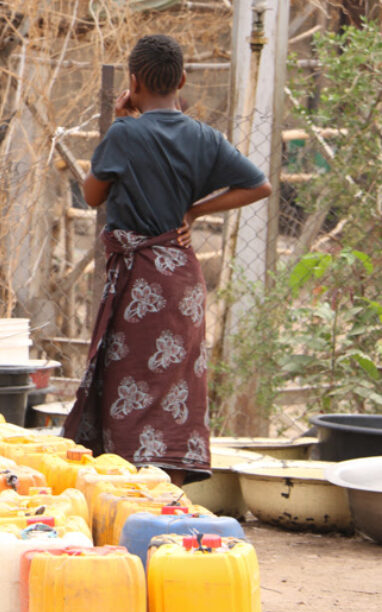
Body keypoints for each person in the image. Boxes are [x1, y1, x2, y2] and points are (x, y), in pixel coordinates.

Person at [62, 35, 272, 485]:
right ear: (181, 80)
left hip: (138, 280)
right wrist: (194, 210)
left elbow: (92, 193)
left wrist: (121, 124)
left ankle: (129, 487)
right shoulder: (204, 137)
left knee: (128, 380)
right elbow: (259, 186)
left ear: (133, 82)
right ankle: (171, 492)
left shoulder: (124, 134)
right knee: (176, 382)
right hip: (181, 277)